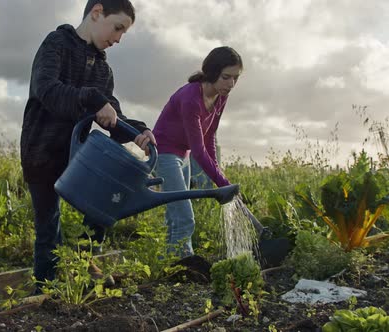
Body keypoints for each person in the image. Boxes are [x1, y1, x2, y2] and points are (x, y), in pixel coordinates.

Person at [20, 0, 156, 287]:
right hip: (42, 151)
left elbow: (112, 115)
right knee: (48, 228)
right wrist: (94, 100)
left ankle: (84, 264)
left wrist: (138, 133)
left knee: (103, 205)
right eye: (117, 27)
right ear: (96, 12)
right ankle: (46, 291)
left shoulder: (103, 70)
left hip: (78, 156)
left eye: (124, 33)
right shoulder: (56, 44)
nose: (118, 39)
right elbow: (47, 91)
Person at [152, 46, 243, 257]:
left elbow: (209, 136)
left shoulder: (221, 96)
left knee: (175, 216)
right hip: (164, 153)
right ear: (212, 73)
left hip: (182, 155)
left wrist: (221, 177)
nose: (231, 84)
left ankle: (168, 262)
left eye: (235, 78)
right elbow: (199, 150)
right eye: (226, 77)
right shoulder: (191, 98)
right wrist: (223, 184)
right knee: (184, 216)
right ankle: (184, 263)